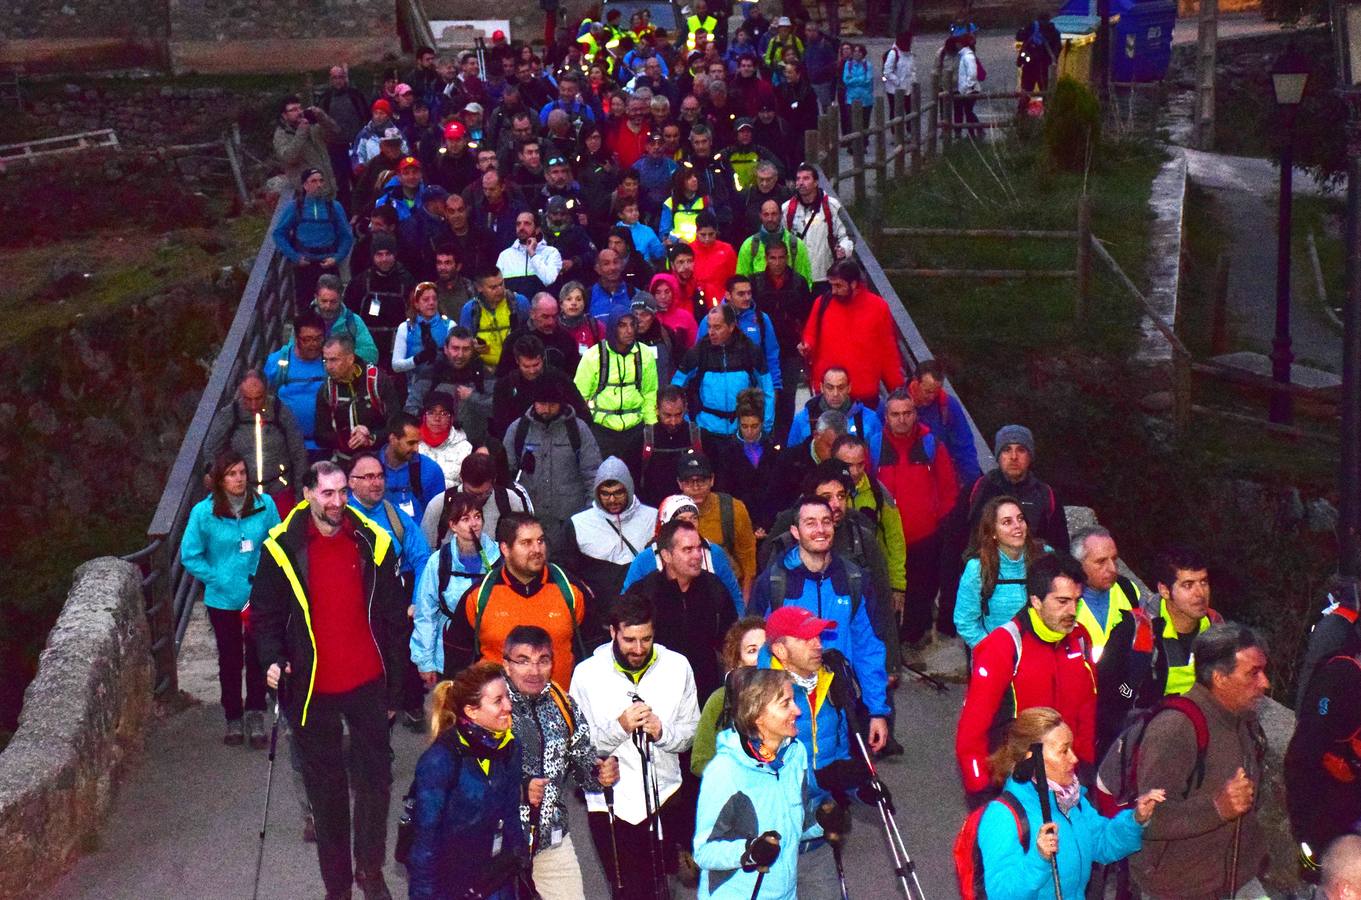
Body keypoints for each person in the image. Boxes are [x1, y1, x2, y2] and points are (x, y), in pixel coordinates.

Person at [251, 461, 406, 900]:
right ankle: (337, 887)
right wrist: (273, 658)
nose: (337, 502)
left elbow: (394, 620)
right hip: (312, 688)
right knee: (328, 793)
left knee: (376, 783)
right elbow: (264, 615)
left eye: (342, 492)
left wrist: (398, 687)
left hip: (368, 682)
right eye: (327, 494)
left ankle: (370, 872)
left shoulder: (374, 541)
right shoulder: (281, 548)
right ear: (307, 495)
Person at [570, 595, 701, 900]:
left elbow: (691, 733)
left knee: (665, 889)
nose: (639, 649)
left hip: (665, 797)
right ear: (613, 632)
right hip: (611, 805)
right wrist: (620, 728)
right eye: (629, 639)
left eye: (647, 639)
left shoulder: (677, 666)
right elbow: (577, 745)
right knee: (627, 891)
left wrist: (663, 733)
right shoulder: (586, 674)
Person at [1129, 624, 1270, 900]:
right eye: (1253, 673)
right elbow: (1147, 818)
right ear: (1219, 678)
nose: (1265, 683)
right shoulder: (1175, 728)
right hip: (1181, 889)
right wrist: (1217, 808)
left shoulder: (1242, 720)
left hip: (1238, 880)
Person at [746, 494, 891, 753]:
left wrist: (877, 710)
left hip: (842, 707)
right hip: (788, 710)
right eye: (810, 523)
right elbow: (753, 649)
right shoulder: (774, 582)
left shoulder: (853, 579)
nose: (820, 530)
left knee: (841, 784)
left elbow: (868, 647)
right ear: (795, 531)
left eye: (826, 521)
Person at [977, 707, 1162, 900]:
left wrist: (1136, 819)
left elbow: (1102, 843)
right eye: (1064, 751)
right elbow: (1000, 894)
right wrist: (1039, 859)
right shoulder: (1001, 816)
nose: (1074, 758)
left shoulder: (1071, 800)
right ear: (1034, 759)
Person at [955, 554, 1096, 808]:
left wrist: (1085, 769)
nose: (1072, 611)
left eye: (1077, 601)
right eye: (1062, 601)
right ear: (1036, 601)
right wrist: (981, 793)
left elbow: (1086, 710)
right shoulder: (1003, 646)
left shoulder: (1080, 640)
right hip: (1016, 784)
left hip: (1066, 773)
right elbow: (971, 732)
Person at [503, 625, 621, 898]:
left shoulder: (563, 703)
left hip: (552, 838)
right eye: (523, 661)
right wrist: (520, 788)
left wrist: (599, 771)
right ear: (506, 665)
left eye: (542, 660)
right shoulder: (492, 705)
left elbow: (582, 759)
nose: (534, 671)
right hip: (500, 843)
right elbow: (471, 773)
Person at [693, 667, 830, 900]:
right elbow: (704, 852)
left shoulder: (795, 755)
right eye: (785, 703)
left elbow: (792, 826)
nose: (797, 711)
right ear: (758, 716)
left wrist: (822, 822)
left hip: (785, 893)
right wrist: (750, 851)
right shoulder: (725, 771)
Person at [180, 451, 281, 747]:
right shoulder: (203, 512)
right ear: (220, 481)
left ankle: (256, 711)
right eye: (231, 474)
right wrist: (217, 578)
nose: (238, 479)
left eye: (241, 473)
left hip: (257, 596)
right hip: (222, 598)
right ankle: (233, 715)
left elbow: (277, 542)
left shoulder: (265, 505)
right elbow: (190, 555)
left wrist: (268, 578)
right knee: (230, 658)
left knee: (259, 655)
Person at [406, 662, 529, 900]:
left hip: (495, 878)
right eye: (498, 700)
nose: (509, 706)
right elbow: (424, 843)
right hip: (451, 884)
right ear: (472, 711)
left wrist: (519, 858)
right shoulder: (440, 760)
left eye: (507, 697)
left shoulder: (510, 747)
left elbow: (512, 811)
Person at [1096, 547, 1223, 755]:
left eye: (1204, 582)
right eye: (1188, 585)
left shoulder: (1217, 629)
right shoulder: (1135, 629)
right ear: (1164, 590)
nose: (1200, 593)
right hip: (1143, 747)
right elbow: (1106, 696)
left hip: (1200, 745)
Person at [879, 387, 956, 649]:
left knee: (922, 591)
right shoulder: (874, 446)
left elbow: (948, 489)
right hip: (888, 537)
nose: (902, 419)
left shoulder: (931, 445)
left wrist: (940, 524)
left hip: (925, 535)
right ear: (886, 417)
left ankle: (915, 637)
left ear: (915, 414)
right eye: (896, 414)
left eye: (907, 413)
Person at [503, 378, 602, 550]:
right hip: (528, 522)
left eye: (552, 404)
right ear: (534, 402)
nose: (547, 409)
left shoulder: (578, 430)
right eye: (542, 403)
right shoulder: (518, 430)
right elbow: (505, 475)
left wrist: (589, 515)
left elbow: (593, 475)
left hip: (570, 522)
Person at [411, 491, 500, 683]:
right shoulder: (439, 562)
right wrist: (425, 662)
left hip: (493, 647)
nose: (474, 524)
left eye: (477, 516)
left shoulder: (499, 557)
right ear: (452, 525)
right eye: (465, 519)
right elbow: (426, 613)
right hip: (452, 649)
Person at [801, 260, 905, 407]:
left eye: (838, 285)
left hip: (863, 394)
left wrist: (897, 389)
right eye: (831, 285)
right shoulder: (822, 302)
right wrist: (807, 345)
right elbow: (810, 333)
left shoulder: (878, 307)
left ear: (854, 284)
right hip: (829, 392)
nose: (833, 291)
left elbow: (888, 351)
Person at [202, 370, 309, 508]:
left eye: (258, 398)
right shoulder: (230, 415)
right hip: (242, 495)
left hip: (280, 491)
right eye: (247, 399)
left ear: (266, 392)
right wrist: (212, 473)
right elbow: (211, 449)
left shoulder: (280, 412)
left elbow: (298, 453)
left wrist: (300, 496)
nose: (253, 405)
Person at [672, 304, 775, 446]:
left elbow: (767, 390)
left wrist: (765, 426)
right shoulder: (697, 352)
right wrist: (687, 423)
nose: (711, 332)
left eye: (717, 327)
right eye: (709, 326)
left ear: (731, 326)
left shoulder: (750, 350)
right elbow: (675, 388)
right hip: (706, 430)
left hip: (742, 431)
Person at [574, 306, 659, 476]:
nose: (629, 331)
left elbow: (649, 393)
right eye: (622, 325)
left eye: (632, 325)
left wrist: (651, 428)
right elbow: (579, 398)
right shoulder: (593, 356)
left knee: (635, 477)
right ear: (613, 327)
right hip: (601, 430)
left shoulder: (645, 355)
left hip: (635, 430)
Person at [955, 497, 1047, 649]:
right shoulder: (977, 568)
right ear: (993, 532)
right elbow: (965, 621)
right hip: (998, 654)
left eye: (1020, 519)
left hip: (1042, 652)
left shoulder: (1045, 557)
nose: (1017, 526)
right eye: (1007, 522)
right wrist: (992, 651)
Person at [562, 457, 658, 599]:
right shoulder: (577, 524)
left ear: (629, 489)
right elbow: (565, 570)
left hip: (644, 608)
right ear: (597, 493)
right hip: (597, 610)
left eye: (618, 492)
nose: (612, 499)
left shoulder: (654, 518)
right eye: (605, 493)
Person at [692, 616, 768, 775]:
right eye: (752, 650)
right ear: (737, 661)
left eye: (765, 648)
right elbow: (699, 761)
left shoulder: (791, 696)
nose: (761, 657)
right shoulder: (720, 699)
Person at [274, 167, 354, 312]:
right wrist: (295, 257)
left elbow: (347, 236)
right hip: (305, 265)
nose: (318, 184)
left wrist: (337, 258)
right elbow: (279, 233)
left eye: (321, 181)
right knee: (305, 308)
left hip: (328, 264)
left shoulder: (334, 207)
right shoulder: (295, 207)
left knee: (332, 305)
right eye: (314, 181)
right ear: (305, 185)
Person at [420, 450, 533, 550]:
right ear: (461, 478)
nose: (477, 500)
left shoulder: (510, 501)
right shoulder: (440, 505)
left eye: (485, 494)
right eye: (472, 494)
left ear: (494, 480)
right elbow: (424, 549)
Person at [490, 334, 592, 439]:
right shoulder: (505, 386)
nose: (532, 371)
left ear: (543, 359)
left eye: (536, 365)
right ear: (517, 361)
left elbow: (582, 413)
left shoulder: (559, 380)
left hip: (559, 440)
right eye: (526, 366)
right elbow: (501, 426)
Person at [715, 390, 782, 532]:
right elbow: (725, 492)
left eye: (754, 426)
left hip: (770, 522)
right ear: (739, 424)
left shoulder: (774, 449)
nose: (750, 431)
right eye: (745, 426)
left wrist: (766, 524)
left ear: (762, 423)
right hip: (739, 522)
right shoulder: (727, 451)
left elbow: (778, 490)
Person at [910, 359, 982, 490]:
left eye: (936, 392)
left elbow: (964, 445)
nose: (931, 397)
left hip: (941, 477)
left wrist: (974, 482)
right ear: (916, 382)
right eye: (927, 391)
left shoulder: (948, 406)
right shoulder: (897, 406)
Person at [787, 366, 883, 464]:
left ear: (849, 388)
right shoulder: (803, 420)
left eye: (841, 387)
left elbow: (877, 462)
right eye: (830, 387)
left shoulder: (869, 420)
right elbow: (791, 458)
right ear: (821, 387)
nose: (835, 393)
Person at [1070, 525, 1143, 652]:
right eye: (1101, 561)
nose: (1112, 568)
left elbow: (1142, 646)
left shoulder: (1128, 590)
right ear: (1078, 563)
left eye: (1114, 559)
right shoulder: (1062, 598)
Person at [266, 312, 329, 458]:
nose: (313, 344)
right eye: (307, 339)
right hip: (286, 447)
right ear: (296, 338)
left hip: (325, 446)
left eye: (318, 339)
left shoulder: (331, 360)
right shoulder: (276, 362)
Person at [344, 232, 415, 362]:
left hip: (397, 349)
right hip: (367, 348)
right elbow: (349, 317)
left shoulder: (407, 282)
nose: (384, 259)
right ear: (373, 256)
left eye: (388, 254)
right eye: (379, 255)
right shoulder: (359, 283)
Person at [784, 165, 853, 290]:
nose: (801, 183)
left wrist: (844, 249)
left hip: (825, 277)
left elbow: (848, 235)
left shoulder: (832, 206)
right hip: (796, 277)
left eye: (806, 178)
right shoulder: (787, 208)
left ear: (816, 182)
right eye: (798, 179)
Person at [392, 282, 454, 413]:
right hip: (413, 388)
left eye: (434, 299)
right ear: (416, 304)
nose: (431, 303)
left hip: (442, 385)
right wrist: (418, 359)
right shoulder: (405, 328)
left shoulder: (449, 325)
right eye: (426, 300)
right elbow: (396, 365)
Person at [429, 326, 494, 444]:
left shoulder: (484, 374)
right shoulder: (431, 374)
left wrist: (473, 397)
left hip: (474, 444)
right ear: (446, 349)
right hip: (435, 444)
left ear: (473, 350)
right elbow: (412, 409)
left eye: (466, 349)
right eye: (455, 348)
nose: (460, 355)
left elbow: (497, 408)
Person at [458, 267, 532, 370]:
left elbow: (532, 336)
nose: (500, 290)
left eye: (501, 284)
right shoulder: (469, 310)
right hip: (485, 371)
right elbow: (462, 343)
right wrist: (472, 346)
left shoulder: (519, 302)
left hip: (517, 368)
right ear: (479, 288)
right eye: (493, 287)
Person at [497, 293, 582, 378]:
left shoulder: (566, 339)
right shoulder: (514, 340)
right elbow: (504, 377)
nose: (551, 322)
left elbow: (575, 375)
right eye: (545, 317)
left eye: (554, 316)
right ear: (532, 314)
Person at [274, 95, 340, 199]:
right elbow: (289, 158)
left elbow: (335, 133)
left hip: (328, 187)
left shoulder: (312, 126)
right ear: (284, 115)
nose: (299, 112)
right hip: (307, 192)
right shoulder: (282, 134)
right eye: (293, 110)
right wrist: (301, 133)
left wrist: (322, 117)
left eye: (300, 108)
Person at [311, 274, 380, 366]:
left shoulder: (353, 321)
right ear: (316, 297)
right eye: (324, 301)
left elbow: (371, 354)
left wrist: (340, 357)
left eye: (333, 302)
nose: (328, 306)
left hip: (344, 376)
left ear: (341, 298)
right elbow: (291, 351)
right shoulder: (304, 321)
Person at [496, 210, 564, 298]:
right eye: (518, 224)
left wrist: (532, 254)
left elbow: (548, 280)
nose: (521, 227)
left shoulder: (551, 253)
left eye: (527, 223)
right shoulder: (505, 256)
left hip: (542, 309)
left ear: (537, 229)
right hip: (514, 309)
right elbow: (498, 287)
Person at [415, 392, 471, 489]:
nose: (437, 418)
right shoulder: (413, 443)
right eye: (431, 413)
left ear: (452, 418)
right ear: (424, 417)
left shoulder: (465, 447)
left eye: (444, 413)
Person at [1015, 13, 1061, 111]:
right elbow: (1058, 48)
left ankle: (1020, 116)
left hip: (1029, 64)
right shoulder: (1054, 31)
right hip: (1044, 66)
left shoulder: (1032, 27)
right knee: (1046, 92)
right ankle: (1048, 116)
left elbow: (1019, 36)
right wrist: (1052, 60)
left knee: (1026, 90)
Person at [882, 31, 917, 120]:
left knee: (909, 110)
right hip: (894, 89)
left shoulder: (909, 53)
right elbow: (887, 71)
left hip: (908, 87)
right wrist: (898, 82)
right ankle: (895, 131)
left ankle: (910, 130)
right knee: (895, 111)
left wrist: (913, 80)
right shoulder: (893, 53)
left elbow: (912, 69)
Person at [955, 32, 983, 139]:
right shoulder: (966, 55)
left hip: (970, 89)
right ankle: (972, 133)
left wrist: (969, 86)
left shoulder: (967, 56)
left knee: (969, 112)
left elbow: (972, 73)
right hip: (968, 89)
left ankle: (976, 131)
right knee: (968, 112)